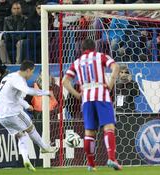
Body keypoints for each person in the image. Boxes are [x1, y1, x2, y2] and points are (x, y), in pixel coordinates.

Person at [62, 39, 122, 171]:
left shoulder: (76, 62)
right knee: (109, 127)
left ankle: (90, 163)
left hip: (87, 98)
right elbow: (116, 67)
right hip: (101, 94)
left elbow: (65, 81)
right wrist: (110, 84)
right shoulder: (100, 56)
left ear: (82, 49)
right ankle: (111, 158)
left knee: (89, 131)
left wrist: (77, 95)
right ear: (94, 47)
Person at [0, 60, 58, 172]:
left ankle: (26, 159)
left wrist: (26, 105)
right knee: (30, 127)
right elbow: (28, 91)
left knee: (21, 135)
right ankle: (44, 148)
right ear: (28, 70)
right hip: (12, 113)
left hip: (0, 115)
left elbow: (5, 95)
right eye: (32, 72)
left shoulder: (9, 77)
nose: (31, 75)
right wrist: (46, 92)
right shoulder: (19, 79)